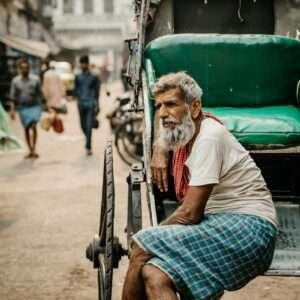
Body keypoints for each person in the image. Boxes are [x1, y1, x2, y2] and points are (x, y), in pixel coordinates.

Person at [122, 72, 278, 300]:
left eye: (171, 105)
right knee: (154, 273)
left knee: (140, 247)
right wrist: (160, 146)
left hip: (250, 230)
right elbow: (166, 124)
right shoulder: (189, 133)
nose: (163, 113)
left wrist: (151, 235)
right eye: (160, 106)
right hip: (221, 223)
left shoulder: (208, 138)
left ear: (195, 108)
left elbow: (190, 214)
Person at [10, 59, 42, 159]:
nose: (25, 70)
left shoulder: (35, 79)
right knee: (27, 128)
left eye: (26, 68)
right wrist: (12, 110)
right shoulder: (15, 81)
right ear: (20, 69)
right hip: (23, 108)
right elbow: (13, 97)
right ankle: (30, 149)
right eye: (23, 68)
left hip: (34, 106)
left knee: (33, 125)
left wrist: (44, 106)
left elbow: (40, 94)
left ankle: (34, 148)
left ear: (29, 68)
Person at [74, 55, 100, 155]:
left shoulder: (94, 77)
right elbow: (75, 89)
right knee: (82, 126)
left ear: (87, 64)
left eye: (84, 63)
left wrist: (97, 104)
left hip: (91, 104)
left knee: (89, 125)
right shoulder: (78, 77)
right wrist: (77, 96)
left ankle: (88, 146)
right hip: (81, 104)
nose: (83, 65)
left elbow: (97, 92)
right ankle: (88, 137)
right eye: (81, 63)